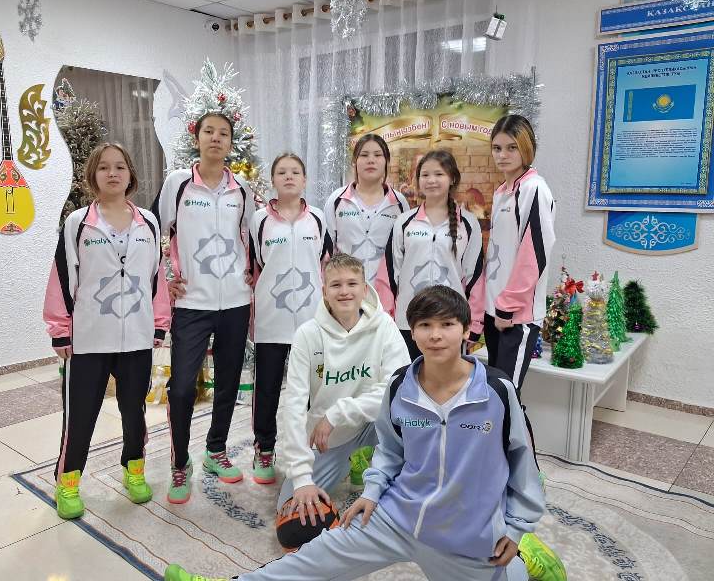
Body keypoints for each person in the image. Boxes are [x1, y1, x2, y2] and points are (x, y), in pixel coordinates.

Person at [164, 285, 543, 581]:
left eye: (447, 325)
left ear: (466, 330)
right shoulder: (401, 387)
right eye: (425, 325)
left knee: (511, 573)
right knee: (311, 560)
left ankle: (530, 560)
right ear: (413, 332)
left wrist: (516, 529)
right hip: (397, 517)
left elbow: (523, 466)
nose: (436, 335)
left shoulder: (496, 392)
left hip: (464, 537)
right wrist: (373, 492)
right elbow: (390, 452)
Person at [44, 142, 170, 519]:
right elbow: (62, 277)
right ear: (92, 175)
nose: (112, 173)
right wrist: (60, 329)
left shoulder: (148, 222)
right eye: (103, 167)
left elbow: (156, 278)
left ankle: (134, 469)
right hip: (89, 339)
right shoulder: (78, 223)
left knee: (134, 412)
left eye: (120, 167)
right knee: (81, 414)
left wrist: (159, 324)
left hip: (137, 338)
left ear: (130, 174)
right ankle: (68, 482)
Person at [151, 112, 255, 504]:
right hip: (191, 303)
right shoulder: (178, 183)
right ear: (198, 138)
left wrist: (252, 273)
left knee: (228, 383)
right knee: (181, 388)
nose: (216, 138)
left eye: (223, 133)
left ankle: (216, 450)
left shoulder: (241, 189)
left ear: (230, 142)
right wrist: (166, 278)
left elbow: (251, 237)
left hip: (235, 302)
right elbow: (156, 232)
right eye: (209, 131)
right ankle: (180, 463)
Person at [275, 253, 408, 543]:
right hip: (329, 439)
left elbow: (397, 387)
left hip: (372, 424)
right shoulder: (307, 335)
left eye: (352, 283)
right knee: (292, 522)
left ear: (364, 289)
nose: (344, 291)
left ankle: (377, 466)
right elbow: (293, 405)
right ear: (324, 291)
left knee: (410, 418)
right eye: (336, 285)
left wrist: (338, 413)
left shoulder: (384, 326)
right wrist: (301, 478)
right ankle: (352, 461)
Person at [249, 152, 331, 484]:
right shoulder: (259, 220)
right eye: (281, 172)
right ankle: (264, 449)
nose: (289, 177)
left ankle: (312, 449)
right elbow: (255, 265)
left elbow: (326, 265)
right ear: (273, 180)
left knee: (314, 389)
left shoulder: (318, 219)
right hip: (272, 319)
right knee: (267, 389)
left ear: (305, 180)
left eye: (295, 172)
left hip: (312, 321)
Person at [481, 114, 556, 392]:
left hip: (515, 314)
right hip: (494, 309)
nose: (502, 155)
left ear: (526, 147)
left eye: (511, 147)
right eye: (497, 148)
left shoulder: (533, 189)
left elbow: (534, 254)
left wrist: (507, 306)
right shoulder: (502, 191)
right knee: (494, 392)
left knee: (506, 394)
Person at [391, 149, 484, 360]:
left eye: (439, 174)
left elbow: (476, 277)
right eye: (425, 175)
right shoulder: (404, 222)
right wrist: (388, 317)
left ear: (452, 179)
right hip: (409, 321)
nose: (431, 180)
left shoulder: (468, 223)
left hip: (450, 321)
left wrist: (475, 322)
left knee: (445, 377)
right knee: (409, 375)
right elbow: (391, 273)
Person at [324, 134, 409, 316]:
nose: (371, 160)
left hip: (385, 300)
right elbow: (327, 253)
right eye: (364, 155)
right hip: (346, 297)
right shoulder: (337, 200)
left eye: (377, 155)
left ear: (386, 162)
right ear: (355, 161)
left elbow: (403, 253)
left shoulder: (400, 203)